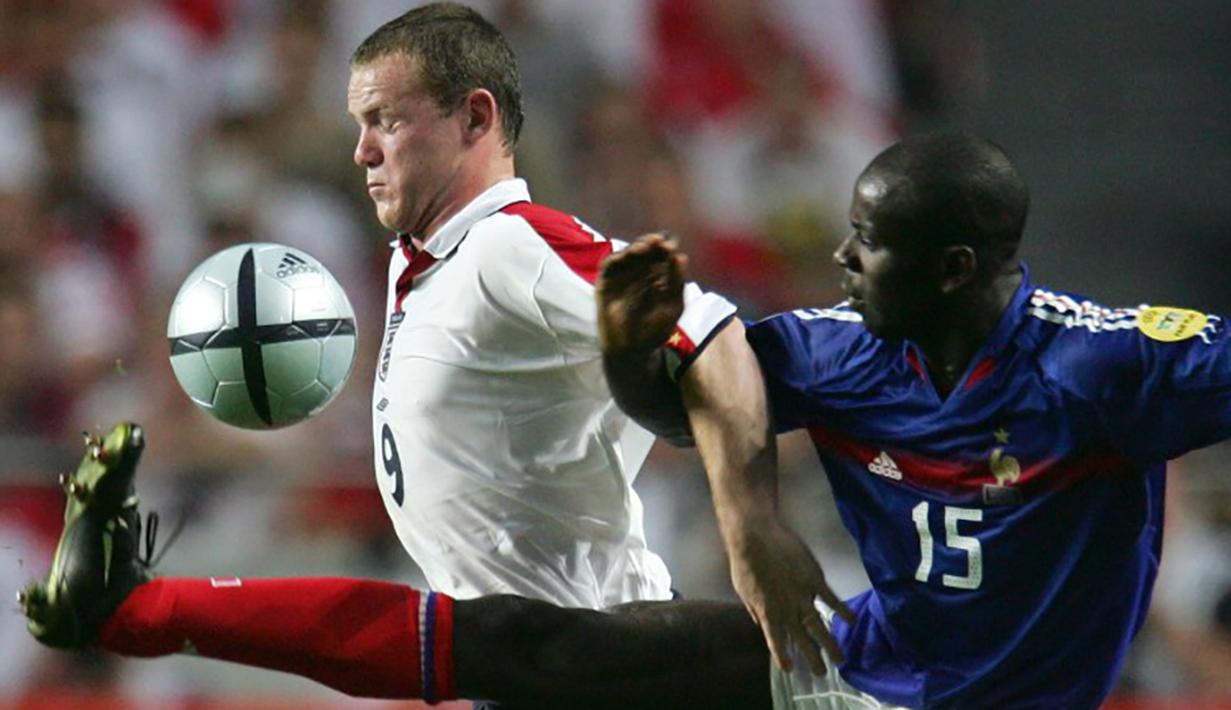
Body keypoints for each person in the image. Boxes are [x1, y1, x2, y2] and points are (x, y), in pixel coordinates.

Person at [25, 131, 1231, 709]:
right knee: (535, 643)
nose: (844, 258)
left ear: (959, 263)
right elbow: (689, 394)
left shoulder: (1107, 368)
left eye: (871, 244)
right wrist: (624, 348)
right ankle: (137, 608)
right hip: (858, 669)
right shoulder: (836, 348)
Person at [348, 2, 732, 609]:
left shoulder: (508, 243)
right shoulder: (417, 260)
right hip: (520, 662)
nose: (363, 151)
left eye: (385, 121)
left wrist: (756, 521)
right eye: (359, 125)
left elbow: (709, 329)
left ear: (475, 117)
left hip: (599, 656)